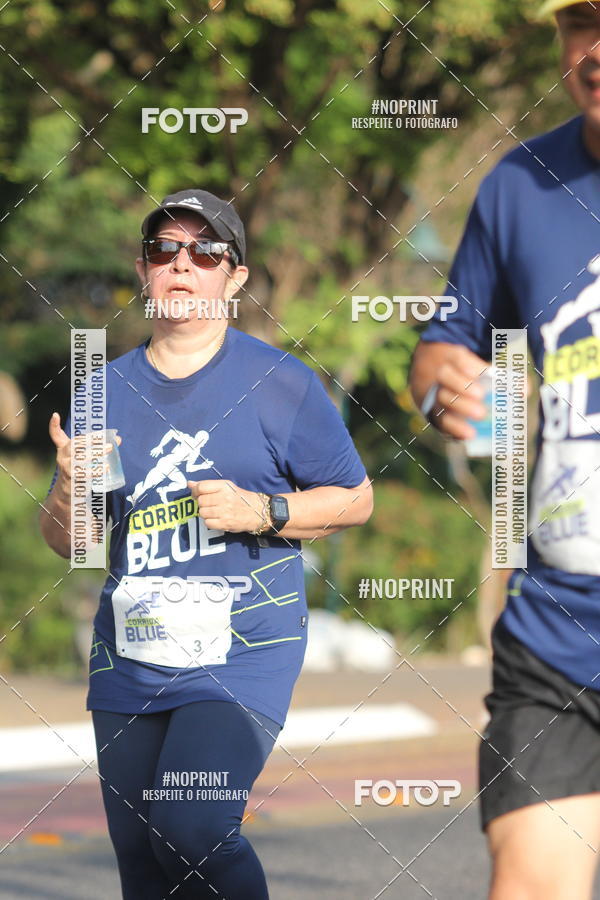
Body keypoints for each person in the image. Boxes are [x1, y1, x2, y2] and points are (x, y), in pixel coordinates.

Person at [39, 187, 373, 899]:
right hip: (131, 653)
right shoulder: (104, 389)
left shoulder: (280, 383)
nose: (182, 265)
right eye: (165, 251)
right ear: (143, 270)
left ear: (236, 276)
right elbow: (75, 543)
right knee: (142, 863)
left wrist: (263, 509)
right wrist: (69, 489)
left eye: (205, 251)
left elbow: (356, 498)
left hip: (241, 651)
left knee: (191, 829)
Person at [409, 3, 600, 898]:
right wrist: (446, 378)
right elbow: (446, 343)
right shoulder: (520, 185)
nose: (593, 50)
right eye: (581, 22)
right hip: (555, 632)